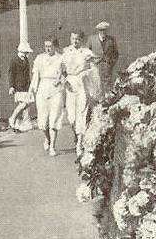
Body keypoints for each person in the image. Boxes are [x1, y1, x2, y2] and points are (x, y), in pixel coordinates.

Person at [62, 30, 103, 158]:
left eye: (77, 39)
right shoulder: (66, 51)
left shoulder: (86, 52)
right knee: (71, 117)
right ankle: (77, 135)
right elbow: (61, 68)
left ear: (81, 40)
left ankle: (79, 143)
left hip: (81, 84)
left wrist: (88, 71)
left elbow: (95, 64)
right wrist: (64, 80)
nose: (75, 41)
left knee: (81, 113)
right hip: (70, 84)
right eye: (73, 38)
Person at [29, 36, 66, 157]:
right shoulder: (39, 58)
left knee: (54, 118)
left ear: (55, 46)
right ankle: (47, 138)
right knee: (43, 121)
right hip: (43, 89)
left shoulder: (61, 58)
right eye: (46, 46)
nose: (47, 48)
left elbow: (65, 74)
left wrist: (60, 80)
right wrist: (32, 90)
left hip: (56, 90)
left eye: (50, 46)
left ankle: (52, 147)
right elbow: (35, 77)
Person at [7, 43, 34, 132]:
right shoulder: (14, 60)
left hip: (26, 86)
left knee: (26, 105)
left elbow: (27, 74)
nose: (26, 54)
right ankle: (12, 118)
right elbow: (11, 74)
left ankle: (22, 123)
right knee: (23, 104)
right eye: (25, 52)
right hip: (18, 86)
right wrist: (11, 86)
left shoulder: (26, 60)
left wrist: (30, 85)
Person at [94, 21, 120, 85]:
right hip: (95, 68)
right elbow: (86, 53)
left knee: (107, 86)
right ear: (98, 30)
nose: (103, 32)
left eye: (104, 30)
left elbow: (116, 53)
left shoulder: (111, 40)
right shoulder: (92, 39)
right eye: (101, 30)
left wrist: (110, 63)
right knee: (95, 86)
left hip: (107, 68)